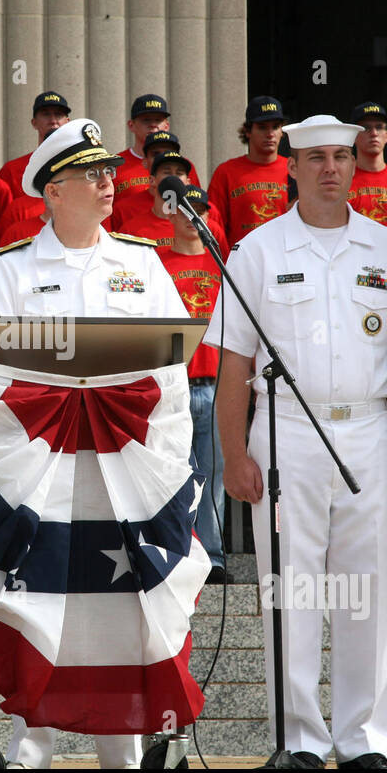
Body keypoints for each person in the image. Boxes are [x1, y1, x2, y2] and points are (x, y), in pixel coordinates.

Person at [0, 117, 188, 769]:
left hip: (124, 472)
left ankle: (119, 745)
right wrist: (53, 409)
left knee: (116, 610)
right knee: (43, 603)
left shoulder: (142, 264)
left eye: (110, 172)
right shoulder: (10, 272)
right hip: (43, 472)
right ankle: (30, 745)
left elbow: (172, 370)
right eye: (91, 175)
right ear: (52, 190)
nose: (107, 183)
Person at [208, 114, 387, 769]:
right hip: (286, 435)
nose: (330, 167)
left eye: (341, 156)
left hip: (367, 430)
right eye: (315, 157)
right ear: (291, 168)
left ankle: (364, 742)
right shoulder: (259, 251)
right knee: (290, 591)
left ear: (357, 165)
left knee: (369, 589)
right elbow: (233, 366)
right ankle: (297, 740)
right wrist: (233, 455)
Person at [157, 184, 228, 581]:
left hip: (216, 382)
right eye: (184, 210)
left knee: (212, 473)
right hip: (176, 382)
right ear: (171, 214)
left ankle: (212, 555)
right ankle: (178, 549)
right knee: (174, 470)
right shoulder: (157, 263)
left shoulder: (221, 264)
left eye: (198, 210)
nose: (191, 217)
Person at [207, 95, 289, 246]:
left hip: (286, 260)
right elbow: (214, 227)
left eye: (275, 126)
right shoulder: (226, 172)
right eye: (262, 127)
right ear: (248, 131)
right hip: (242, 261)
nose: (270, 133)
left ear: (282, 131)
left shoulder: (295, 169)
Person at [110, 94, 199, 206]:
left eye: (158, 120)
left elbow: (196, 205)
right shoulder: (115, 165)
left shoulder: (183, 167)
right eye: (146, 120)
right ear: (131, 125)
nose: (152, 125)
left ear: (166, 126)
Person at [345, 102, 387, 231]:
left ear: (386, 136)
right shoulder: (342, 183)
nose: (374, 133)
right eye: (366, 128)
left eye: (379, 127)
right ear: (353, 136)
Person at [0, 91, 71, 198]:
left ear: (67, 122)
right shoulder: (11, 171)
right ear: (34, 123)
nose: (53, 121)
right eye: (46, 114)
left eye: (58, 114)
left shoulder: (81, 167)